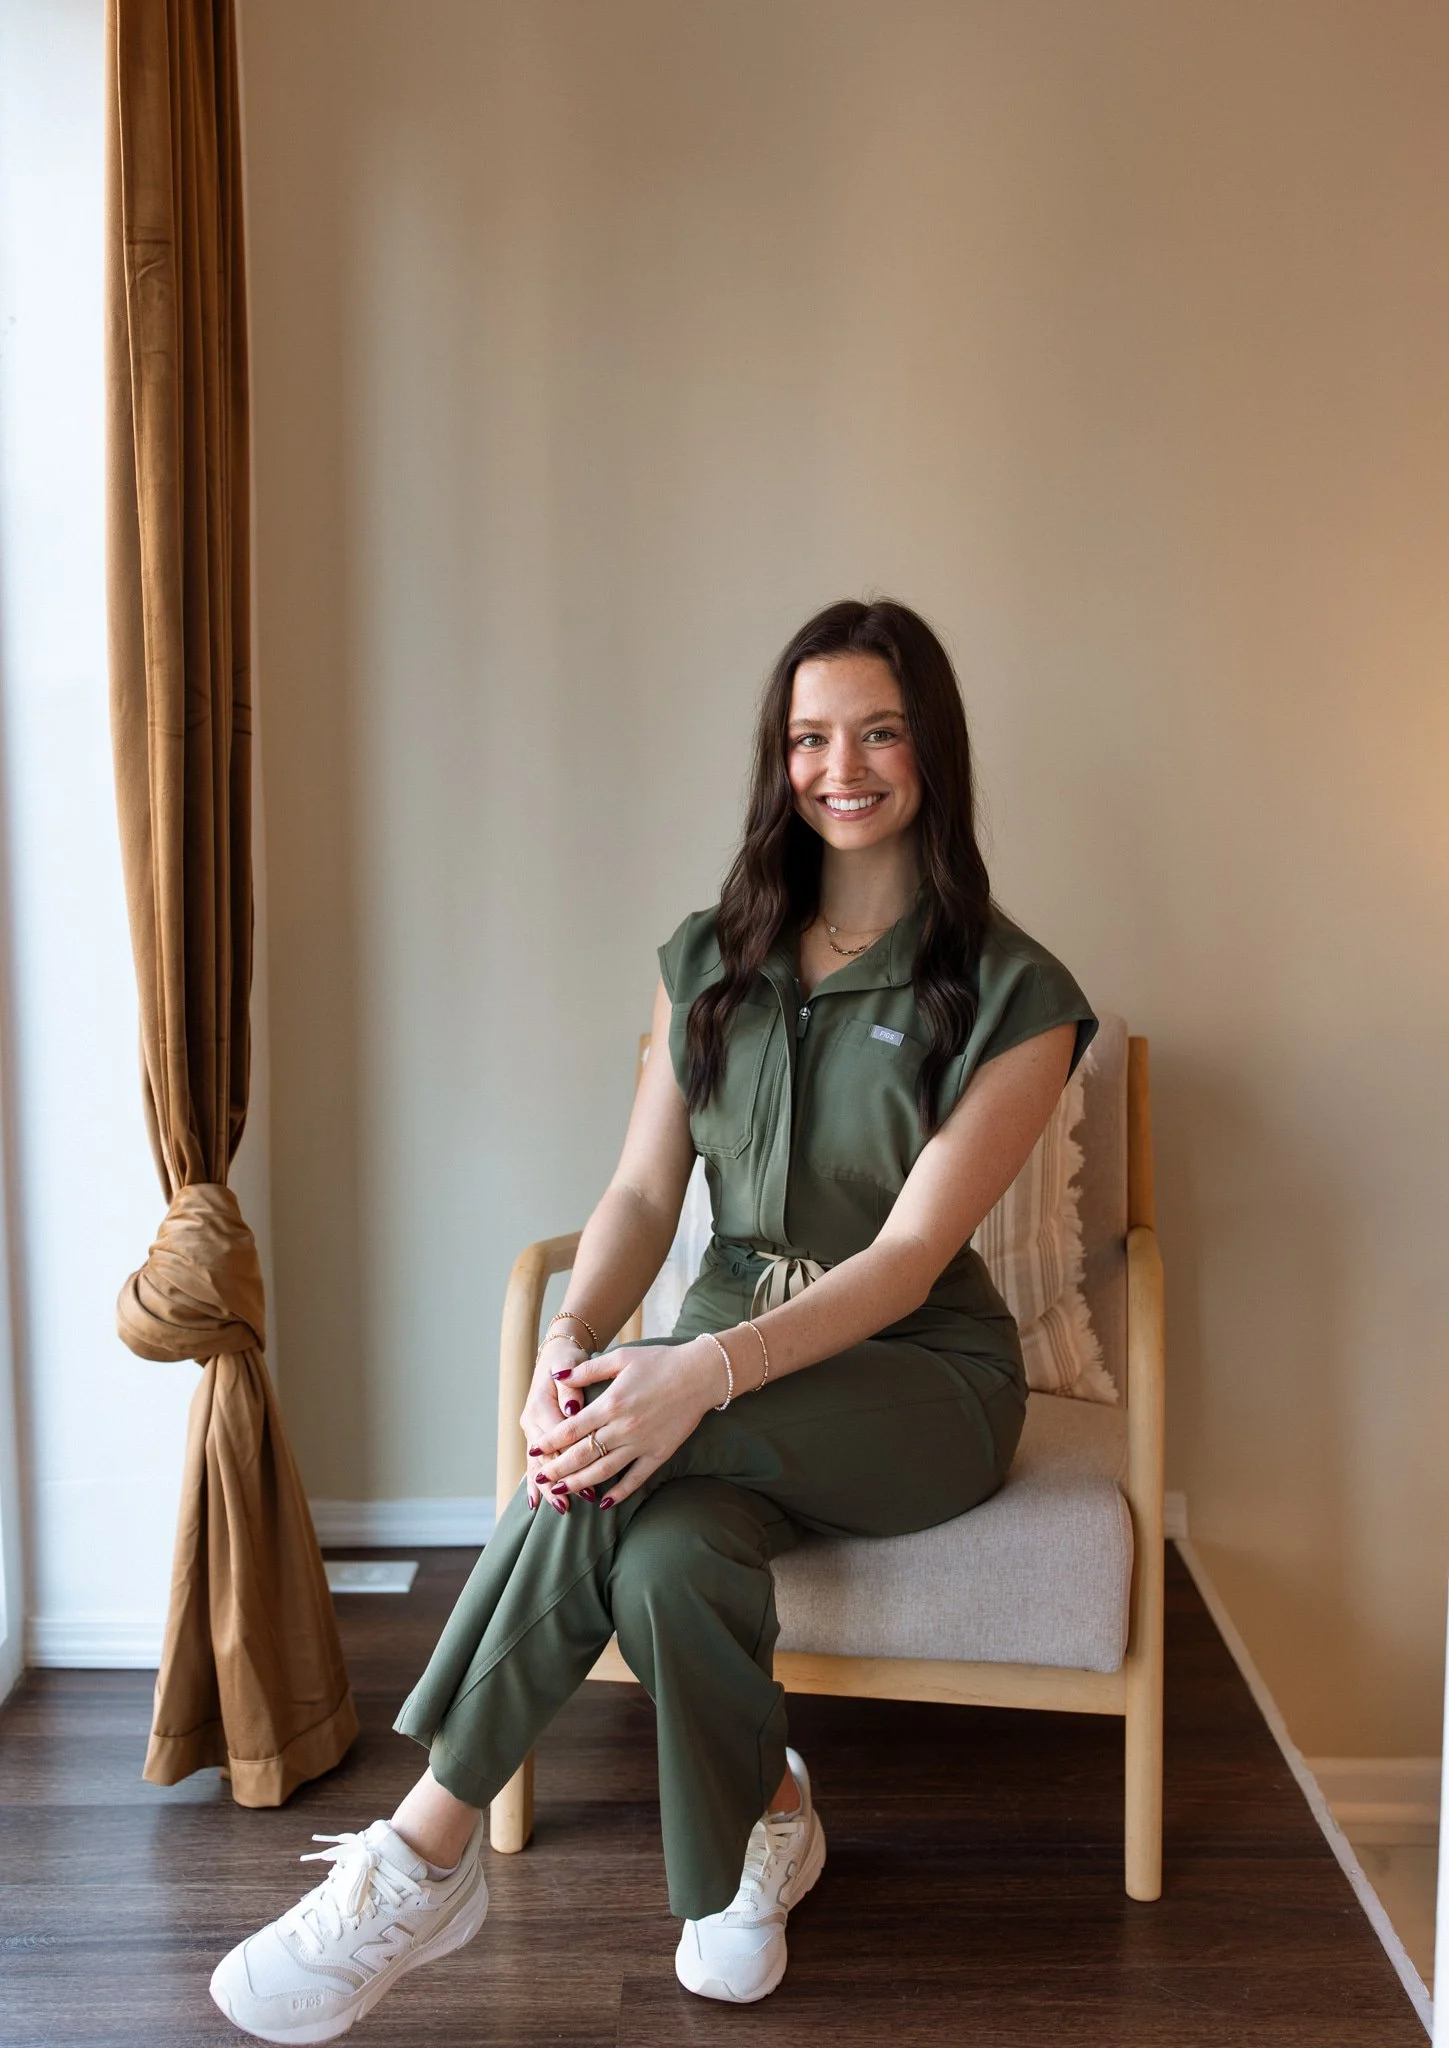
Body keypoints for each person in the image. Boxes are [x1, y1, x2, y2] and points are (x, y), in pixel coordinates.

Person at [210, 598, 1097, 2042]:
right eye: (811, 736)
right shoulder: (711, 958)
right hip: (710, 1357)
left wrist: (696, 1376)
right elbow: (635, 1193)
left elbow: (913, 1251)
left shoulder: (1015, 990)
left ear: (930, 747)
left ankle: (423, 1848)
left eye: (878, 731)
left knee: (630, 1444)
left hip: (920, 1376)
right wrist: (577, 1341)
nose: (844, 766)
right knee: (670, 1545)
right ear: (779, 758)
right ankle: (769, 1822)